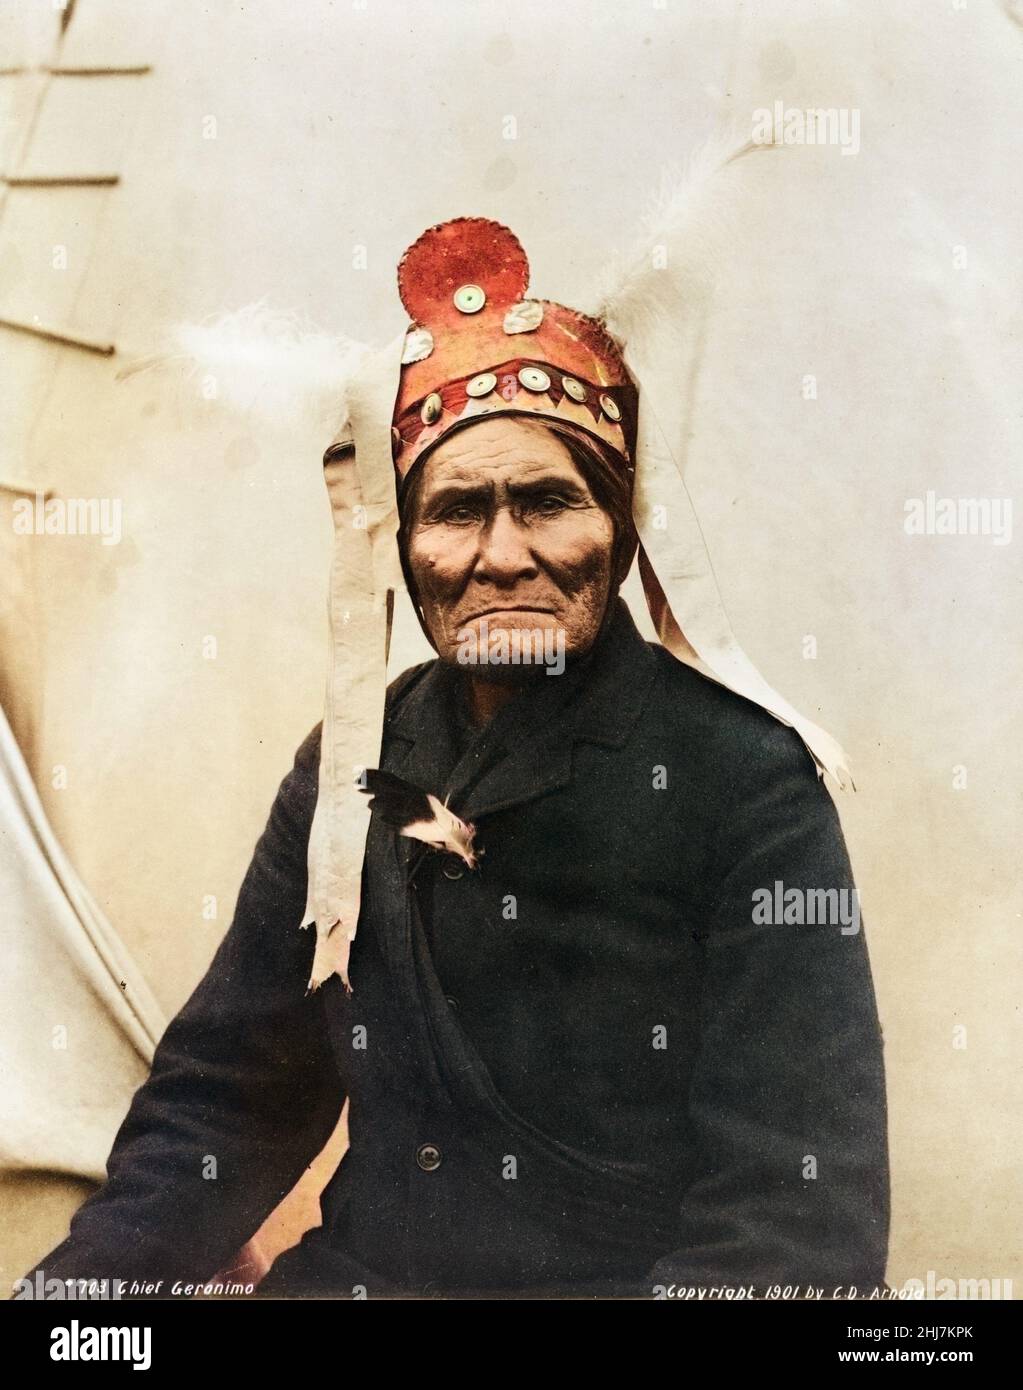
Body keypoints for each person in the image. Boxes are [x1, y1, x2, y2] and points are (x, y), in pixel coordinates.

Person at [23, 215, 889, 1299]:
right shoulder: (350, 759)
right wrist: (72, 1307)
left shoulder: (745, 780)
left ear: (619, 527)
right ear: (406, 545)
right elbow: (227, 1097)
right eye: (457, 512)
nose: (502, 555)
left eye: (547, 503)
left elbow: (794, 1226)